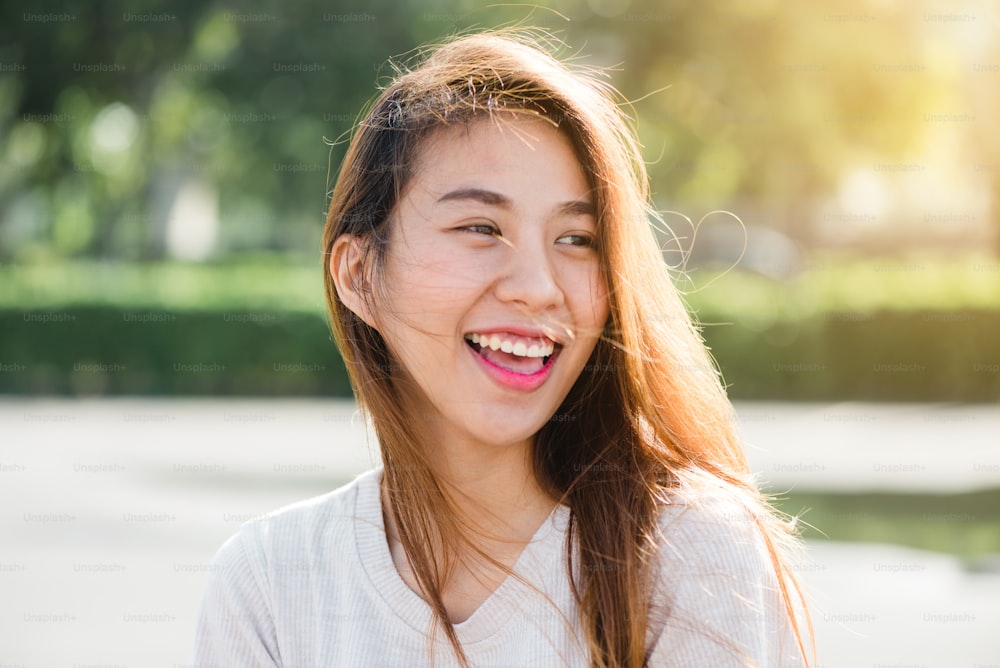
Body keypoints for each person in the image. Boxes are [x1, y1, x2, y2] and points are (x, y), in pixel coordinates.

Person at [194, 30, 812, 667]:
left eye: (577, 239)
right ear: (359, 276)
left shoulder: (689, 552)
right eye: (481, 228)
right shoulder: (271, 582)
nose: (539, 289)